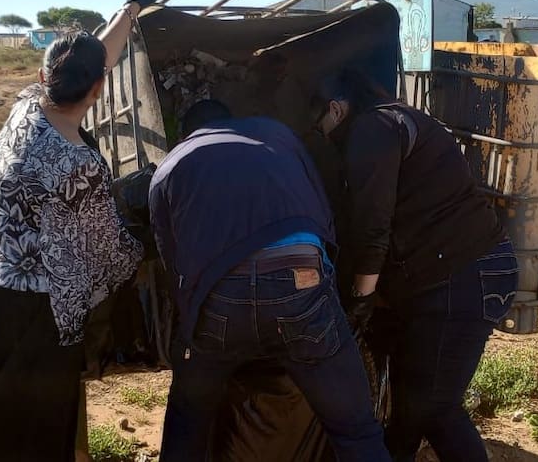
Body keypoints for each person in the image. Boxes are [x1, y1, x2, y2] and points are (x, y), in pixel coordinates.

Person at [0, 0, 164, 462]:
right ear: (100, 88)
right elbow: (108, 254)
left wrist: (131, 8)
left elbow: (96, 57)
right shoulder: (78, 165)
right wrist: (153, 239)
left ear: (44, 75)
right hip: (35, 314)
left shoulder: (25, 107)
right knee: (25, 431)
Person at [150, 99, 390, 462]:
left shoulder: (170, 166)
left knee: (188, 416)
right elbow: (322, 216)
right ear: (234, 120)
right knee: (355, 429)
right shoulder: (278, 135)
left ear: (187, 134)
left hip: (219, 299)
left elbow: (173, 267)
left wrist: (193, 340)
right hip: (300, 282)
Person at [313, 69, 517, 462]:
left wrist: (361, 299)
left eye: (320, 126)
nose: (322, 136)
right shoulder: (394, 119)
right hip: (459, 274)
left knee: (435, 408)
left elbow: (374, 228)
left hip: (463, 278)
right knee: (411, 406)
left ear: (336, 109)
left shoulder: (374, 129)